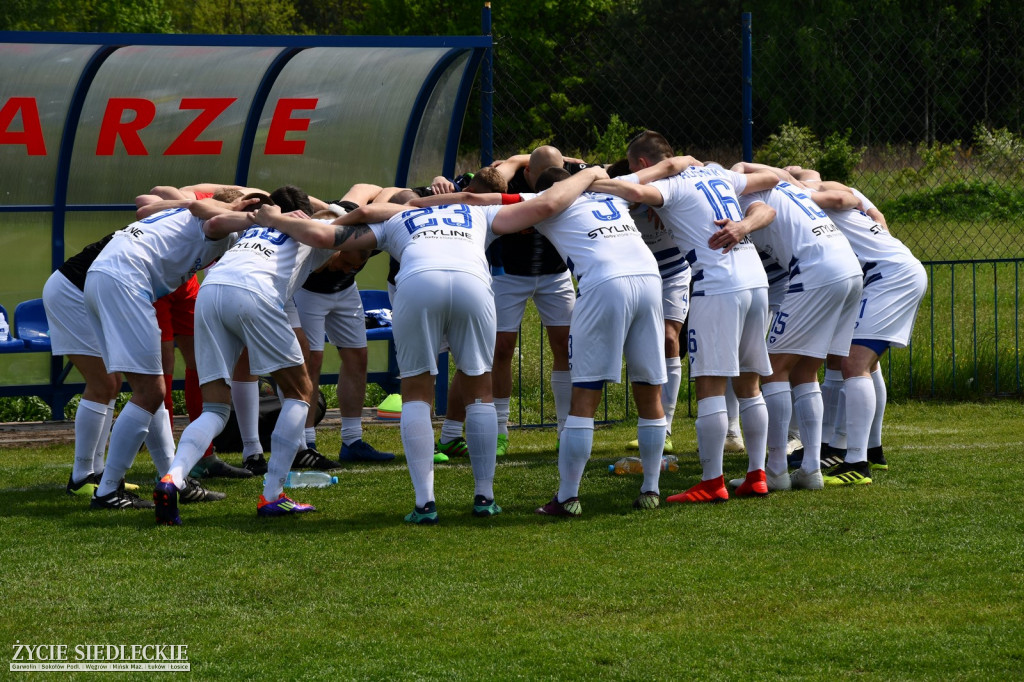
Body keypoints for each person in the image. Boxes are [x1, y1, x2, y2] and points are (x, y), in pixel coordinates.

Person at [253, 166, 609, 524]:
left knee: (417, 391)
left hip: (417, 282)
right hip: (472, 281)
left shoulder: (397, 218)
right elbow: (547, 205)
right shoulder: (477, 209)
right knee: (480, 388)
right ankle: (484, 496)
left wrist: (276, 219)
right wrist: (592, 174)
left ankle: (425, 503)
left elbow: (325, 236)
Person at [154, 186, 360, 524]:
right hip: (255, 290)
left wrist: (269, 213)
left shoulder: (252, 225)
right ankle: (272, 495)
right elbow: (345, 217)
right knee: (300, 392)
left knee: (216, 408)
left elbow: (208, 217)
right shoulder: (312, 230)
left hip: (212, 290)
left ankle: (172, 478)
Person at [594, 131, 778, 503]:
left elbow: (625, 190)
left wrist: (648, 173)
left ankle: (712, 482)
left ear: (645, 164)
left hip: (717, 285)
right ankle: (757, 474)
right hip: (756, 281)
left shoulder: (672, 186)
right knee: (750, 384)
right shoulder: (717, 174)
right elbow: (771, 178)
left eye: (634, 166)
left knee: (709, 384)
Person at [83, 192, 256, 509]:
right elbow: (216, 220)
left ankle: (171, 477)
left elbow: (148, 204)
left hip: (105, 274)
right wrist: (249, 217)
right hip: (126, 278)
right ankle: (107, 491)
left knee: (149, 392)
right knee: (150, 391)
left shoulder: (189, 210)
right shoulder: (227, 223)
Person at [727, 163, 865, 491]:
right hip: (848, 269)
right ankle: (811, 469)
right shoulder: (784, 183)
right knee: (805, 372)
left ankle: (775, 469)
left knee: (773, 370)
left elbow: (762, 213)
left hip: (815, 270)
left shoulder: (747, 194)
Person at [800, 172, 928, 485]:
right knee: (865, 365)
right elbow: (876, 215)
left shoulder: (814, 198)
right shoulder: (835, 193)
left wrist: (798, 193)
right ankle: (872, 452)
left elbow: (848, 199)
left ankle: (855, 463)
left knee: (852, 364)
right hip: (891, 273)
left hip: (889, 278)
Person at [481, 147, 585, 456]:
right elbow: (480, 183)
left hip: (556, 275)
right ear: (527, 174)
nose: (547, 187)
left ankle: (565, 428)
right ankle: (499, 429)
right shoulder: (509, 182)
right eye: (540, 180)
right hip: (510, 275)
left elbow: (609, 172)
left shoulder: (570, 178)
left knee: (565, 348)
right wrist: (513, 161)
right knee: (501, 348)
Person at [291, 185, 396, 464]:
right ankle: (307, 443)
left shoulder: (365, 236)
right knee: (311, 362)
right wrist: (331, 206)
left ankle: (352, 440)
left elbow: (376, 188)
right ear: (334, 249)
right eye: (345, 263)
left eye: (356, 266)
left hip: (346, 293)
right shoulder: (316, 238)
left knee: (358, 357)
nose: (350, 267)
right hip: (308, 294)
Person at [607, 159, 690, 455]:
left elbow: (693, 166)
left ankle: (666, 426)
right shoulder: (611, 201)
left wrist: (663, 207)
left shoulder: (665, 192)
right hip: (642, 276)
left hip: (673, 271)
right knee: (644, 346)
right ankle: (651, 419)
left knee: (670, 338)